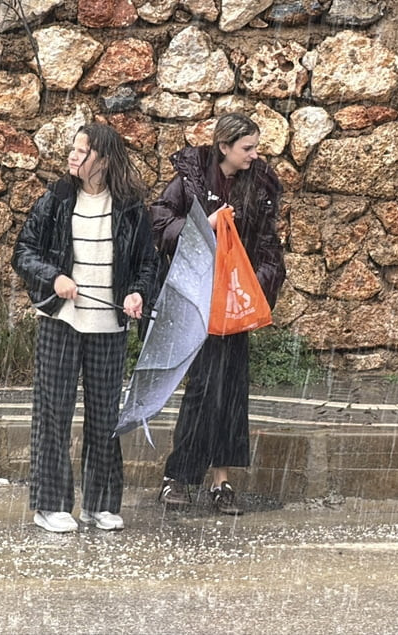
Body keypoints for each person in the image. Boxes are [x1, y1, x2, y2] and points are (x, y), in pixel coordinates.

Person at [12, 123, 158, 533]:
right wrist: (54, 276)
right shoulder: (57, 198)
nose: (74, 156)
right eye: (74, 149)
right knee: (53, 413)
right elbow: (24, 251)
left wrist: (136, 294)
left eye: (83, 151)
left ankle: (100, 503)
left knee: (104, 417)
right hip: (60, 320)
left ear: (104, 160)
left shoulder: (130, 207)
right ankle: (51, 505)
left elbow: (148, 263)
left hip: (108, 326)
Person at [151, 112, 286, 515]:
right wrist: (202, 225)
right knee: (202, 388)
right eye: (247, 148)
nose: (254, 155)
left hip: (234, 306)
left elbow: (268, 248)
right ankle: (179, 477)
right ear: (224, 147)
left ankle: (221, 482)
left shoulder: (259, 186)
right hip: (197, 300)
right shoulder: (191, 179)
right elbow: (158, 222)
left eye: (256, 147)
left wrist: (252, 286)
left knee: (230, 391)